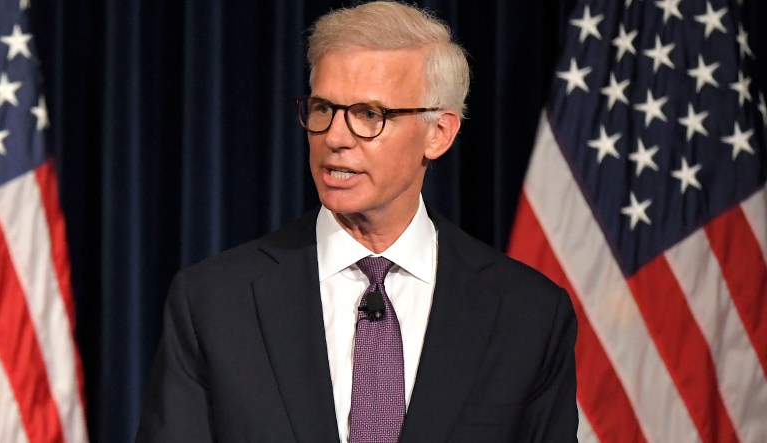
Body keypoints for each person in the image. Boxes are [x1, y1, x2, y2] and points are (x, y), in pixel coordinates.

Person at [135, 1, 577, 442]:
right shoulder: (214, 303)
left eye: (369, 114)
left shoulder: (528, 315)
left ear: (438, 133)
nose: (334, 137)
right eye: (323, 108)